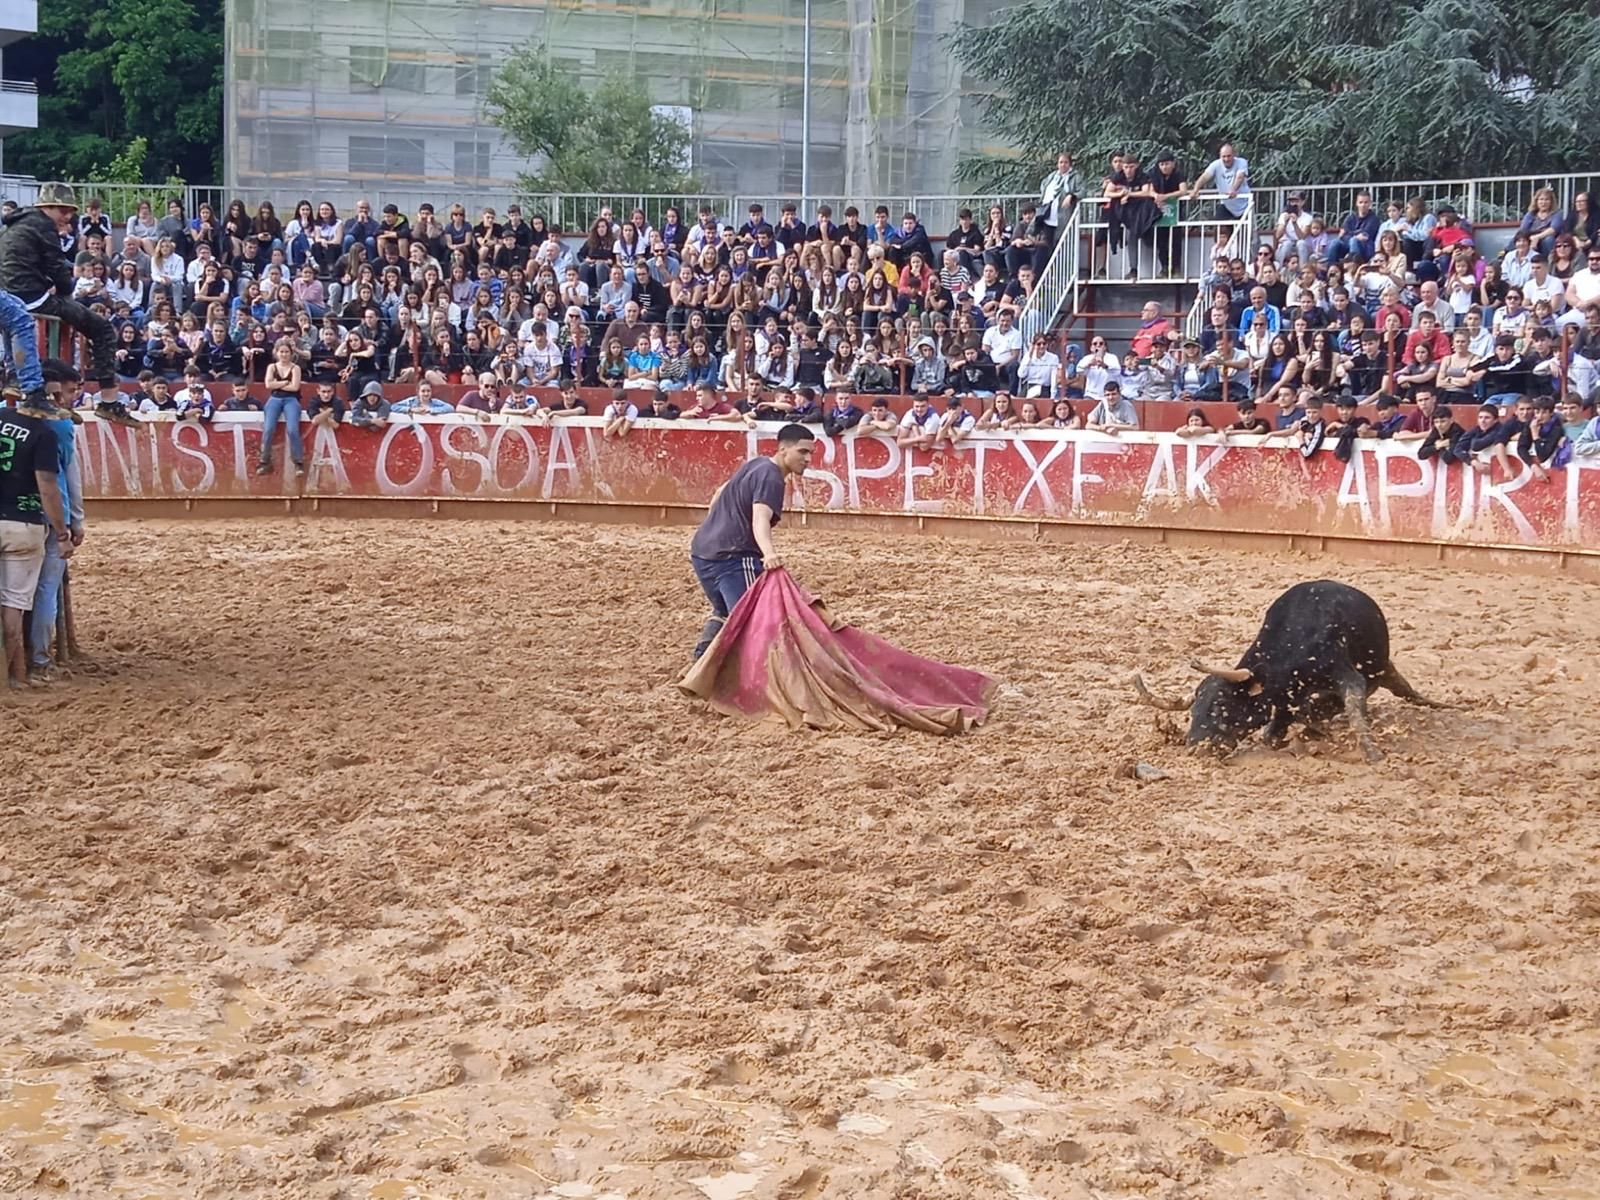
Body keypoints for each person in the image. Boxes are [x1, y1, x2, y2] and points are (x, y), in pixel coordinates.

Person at [688, 423, 815, 659]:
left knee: (726, 610)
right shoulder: (772, 478)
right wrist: (768, 554)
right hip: (733, 558)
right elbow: (760, 519)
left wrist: (713, 526)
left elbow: (718, 492)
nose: (808, 459)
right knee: (752, 617)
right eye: (802, 452)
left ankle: (701, 659)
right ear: (783, 449)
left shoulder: (756, 464)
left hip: (702, 552)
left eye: (810, 453)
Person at [0, 183, 117, 408]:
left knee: (16, 326)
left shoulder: (16, 225)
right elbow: (60, 275)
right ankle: (110, 402)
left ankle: (15, 380)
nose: (68, 216)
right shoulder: (44, 226)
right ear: (47, 207)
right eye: (63, 211)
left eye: (71, 211)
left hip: (9, 294)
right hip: (30, 298)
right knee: (101, 329)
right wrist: (65, 292)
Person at [0, 385, 75, 688]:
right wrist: (62, 532)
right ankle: (17, 675)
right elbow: (48, 488)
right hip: (23, 524)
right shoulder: (44, 435)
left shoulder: (2, 415)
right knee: (14, 604)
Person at [24, 361, 85, 682]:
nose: (74, 396)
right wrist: (75, 522)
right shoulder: (60, 426)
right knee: (47, 588)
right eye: (72, 390)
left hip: (17, 512)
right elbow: (68, 478)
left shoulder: (9, 417)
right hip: (51, 515)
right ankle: (40, 659)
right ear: (55, 388)